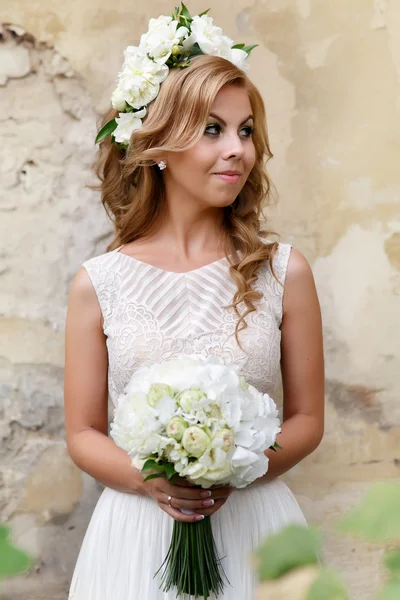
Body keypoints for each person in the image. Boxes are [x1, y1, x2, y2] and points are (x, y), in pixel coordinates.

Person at [64, 11, 324, 599]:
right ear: (158, 142)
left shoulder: (285, 271)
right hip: (136, 535)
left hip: (255, 528)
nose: (237, 150)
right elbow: (82, 431)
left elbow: (307, 420)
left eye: (247, 130)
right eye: (212, 129)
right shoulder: (98, 283)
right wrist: (152, 480)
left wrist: (237, 467)